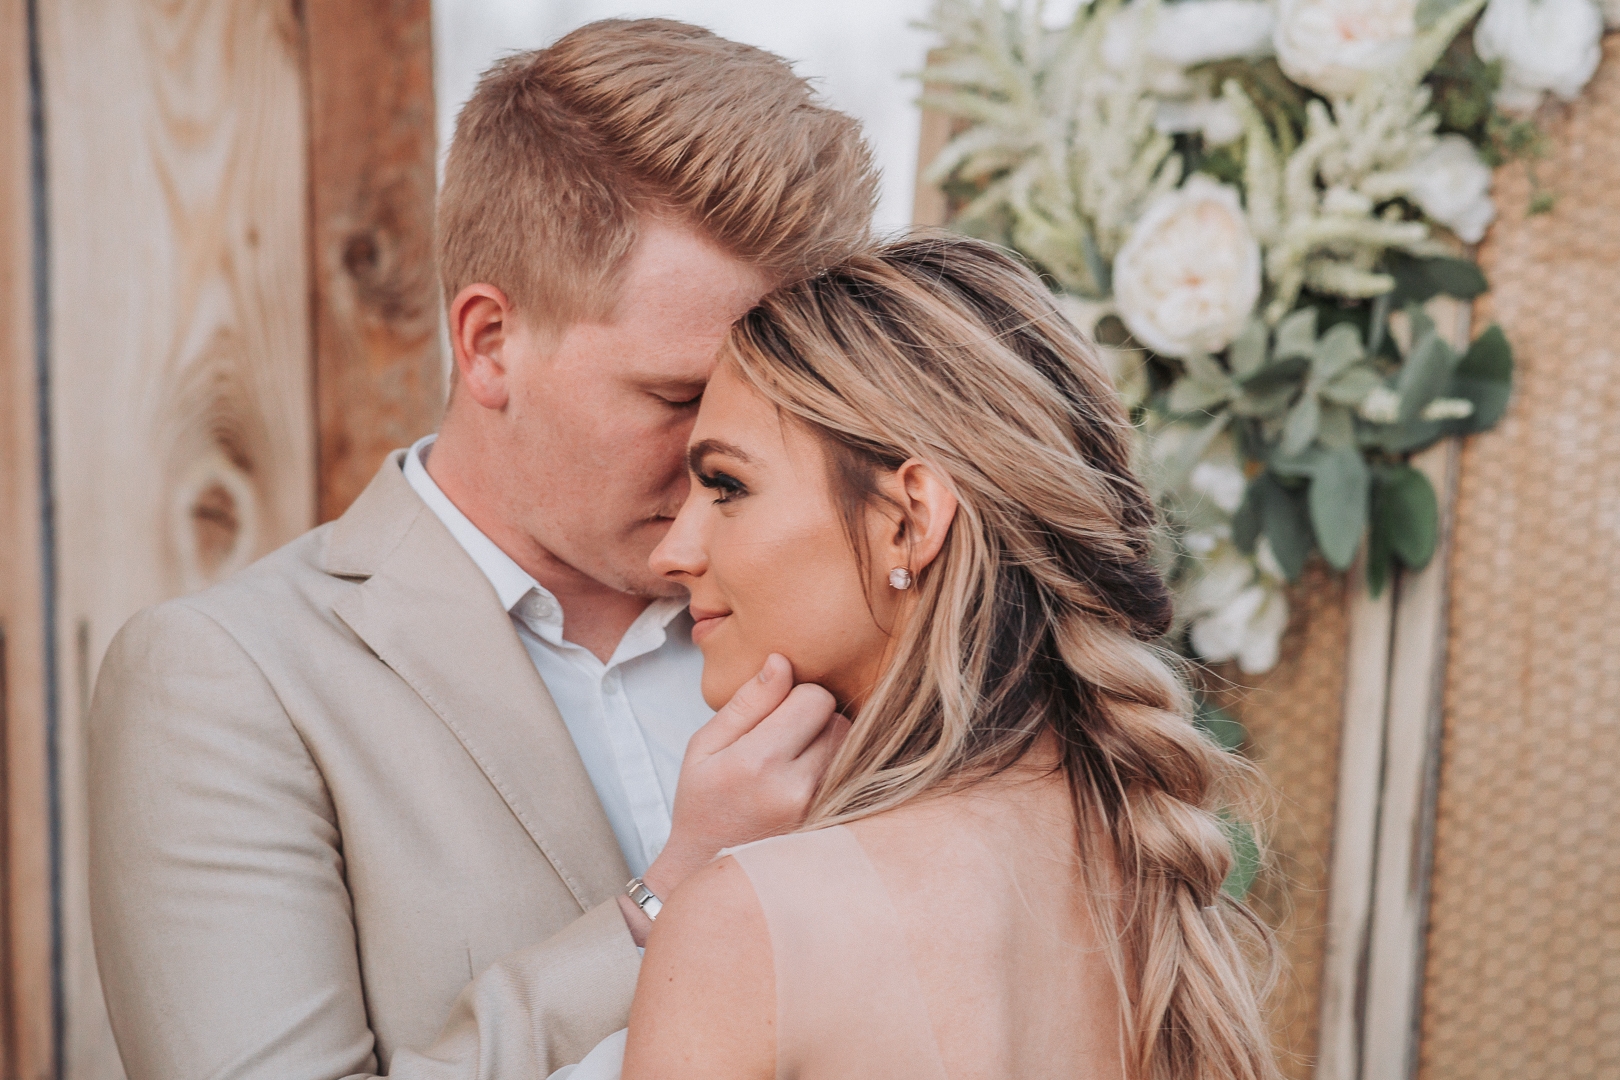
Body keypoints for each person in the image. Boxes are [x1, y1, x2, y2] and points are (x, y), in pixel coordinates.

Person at [87, 20, 876, 1080]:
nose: (723, 453)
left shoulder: (852, 617)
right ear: (489, 342)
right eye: (678, 397)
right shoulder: (226, 680)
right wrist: (670, 895)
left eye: (779, 408)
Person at [560, 234, 1283, 1080]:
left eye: (727, 487)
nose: (673, 554)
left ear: (909, 517)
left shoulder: (751, 923)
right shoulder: (1149, 888)